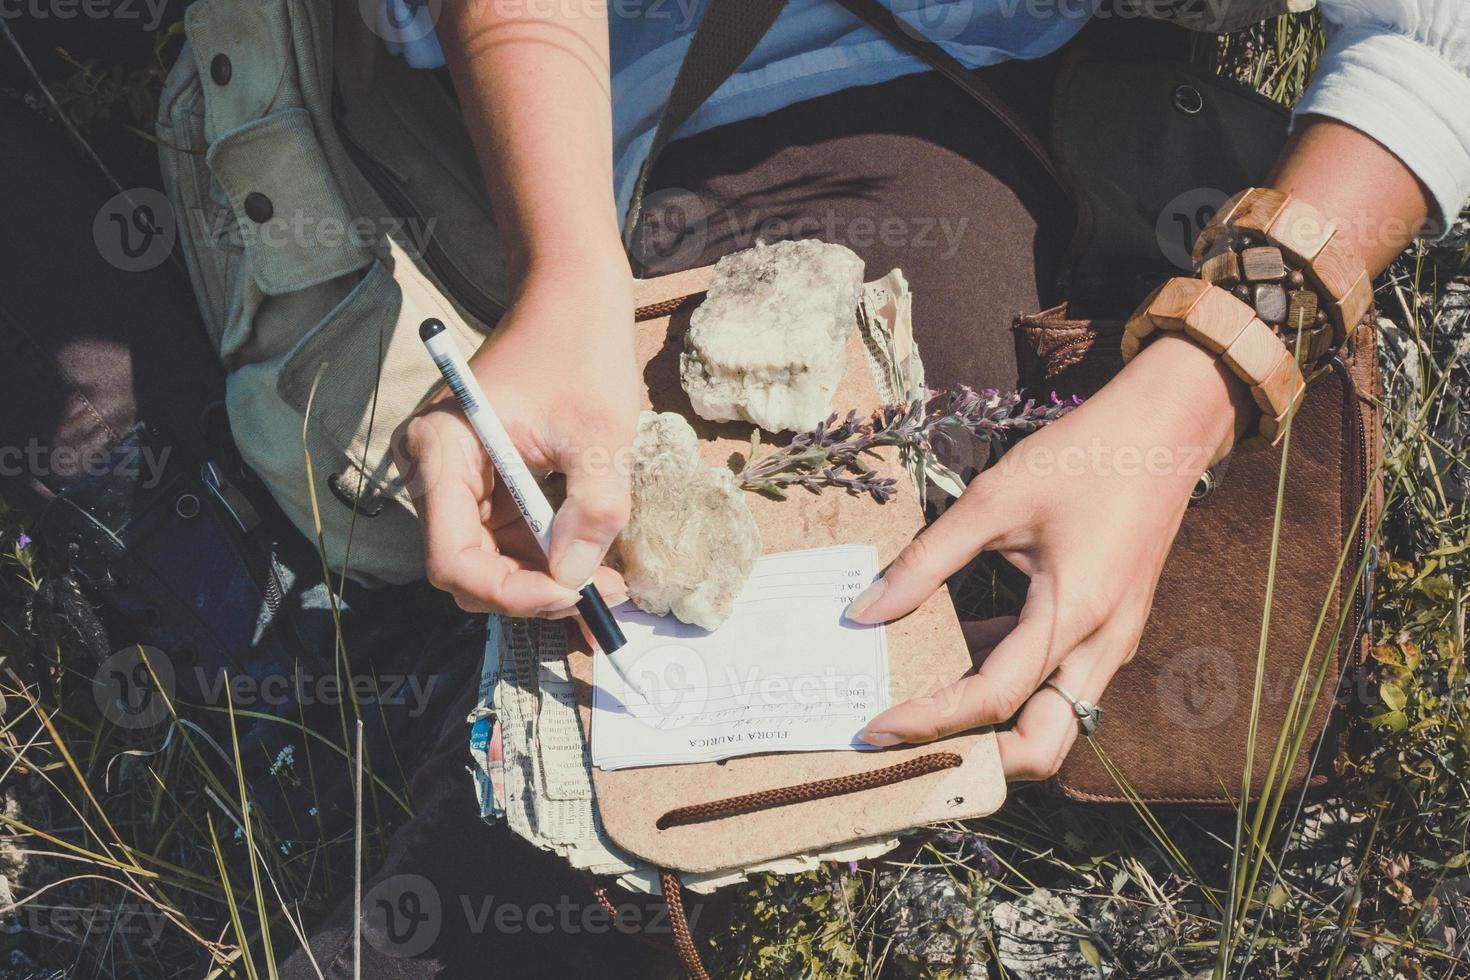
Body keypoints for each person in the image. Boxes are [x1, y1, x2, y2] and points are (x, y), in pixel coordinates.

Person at [391, 0, 1470, 786]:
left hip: (1034, 77)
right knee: (727, 693)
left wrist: (1196, 393)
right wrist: (570, 270)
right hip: (647, 102)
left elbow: (1435, 40)